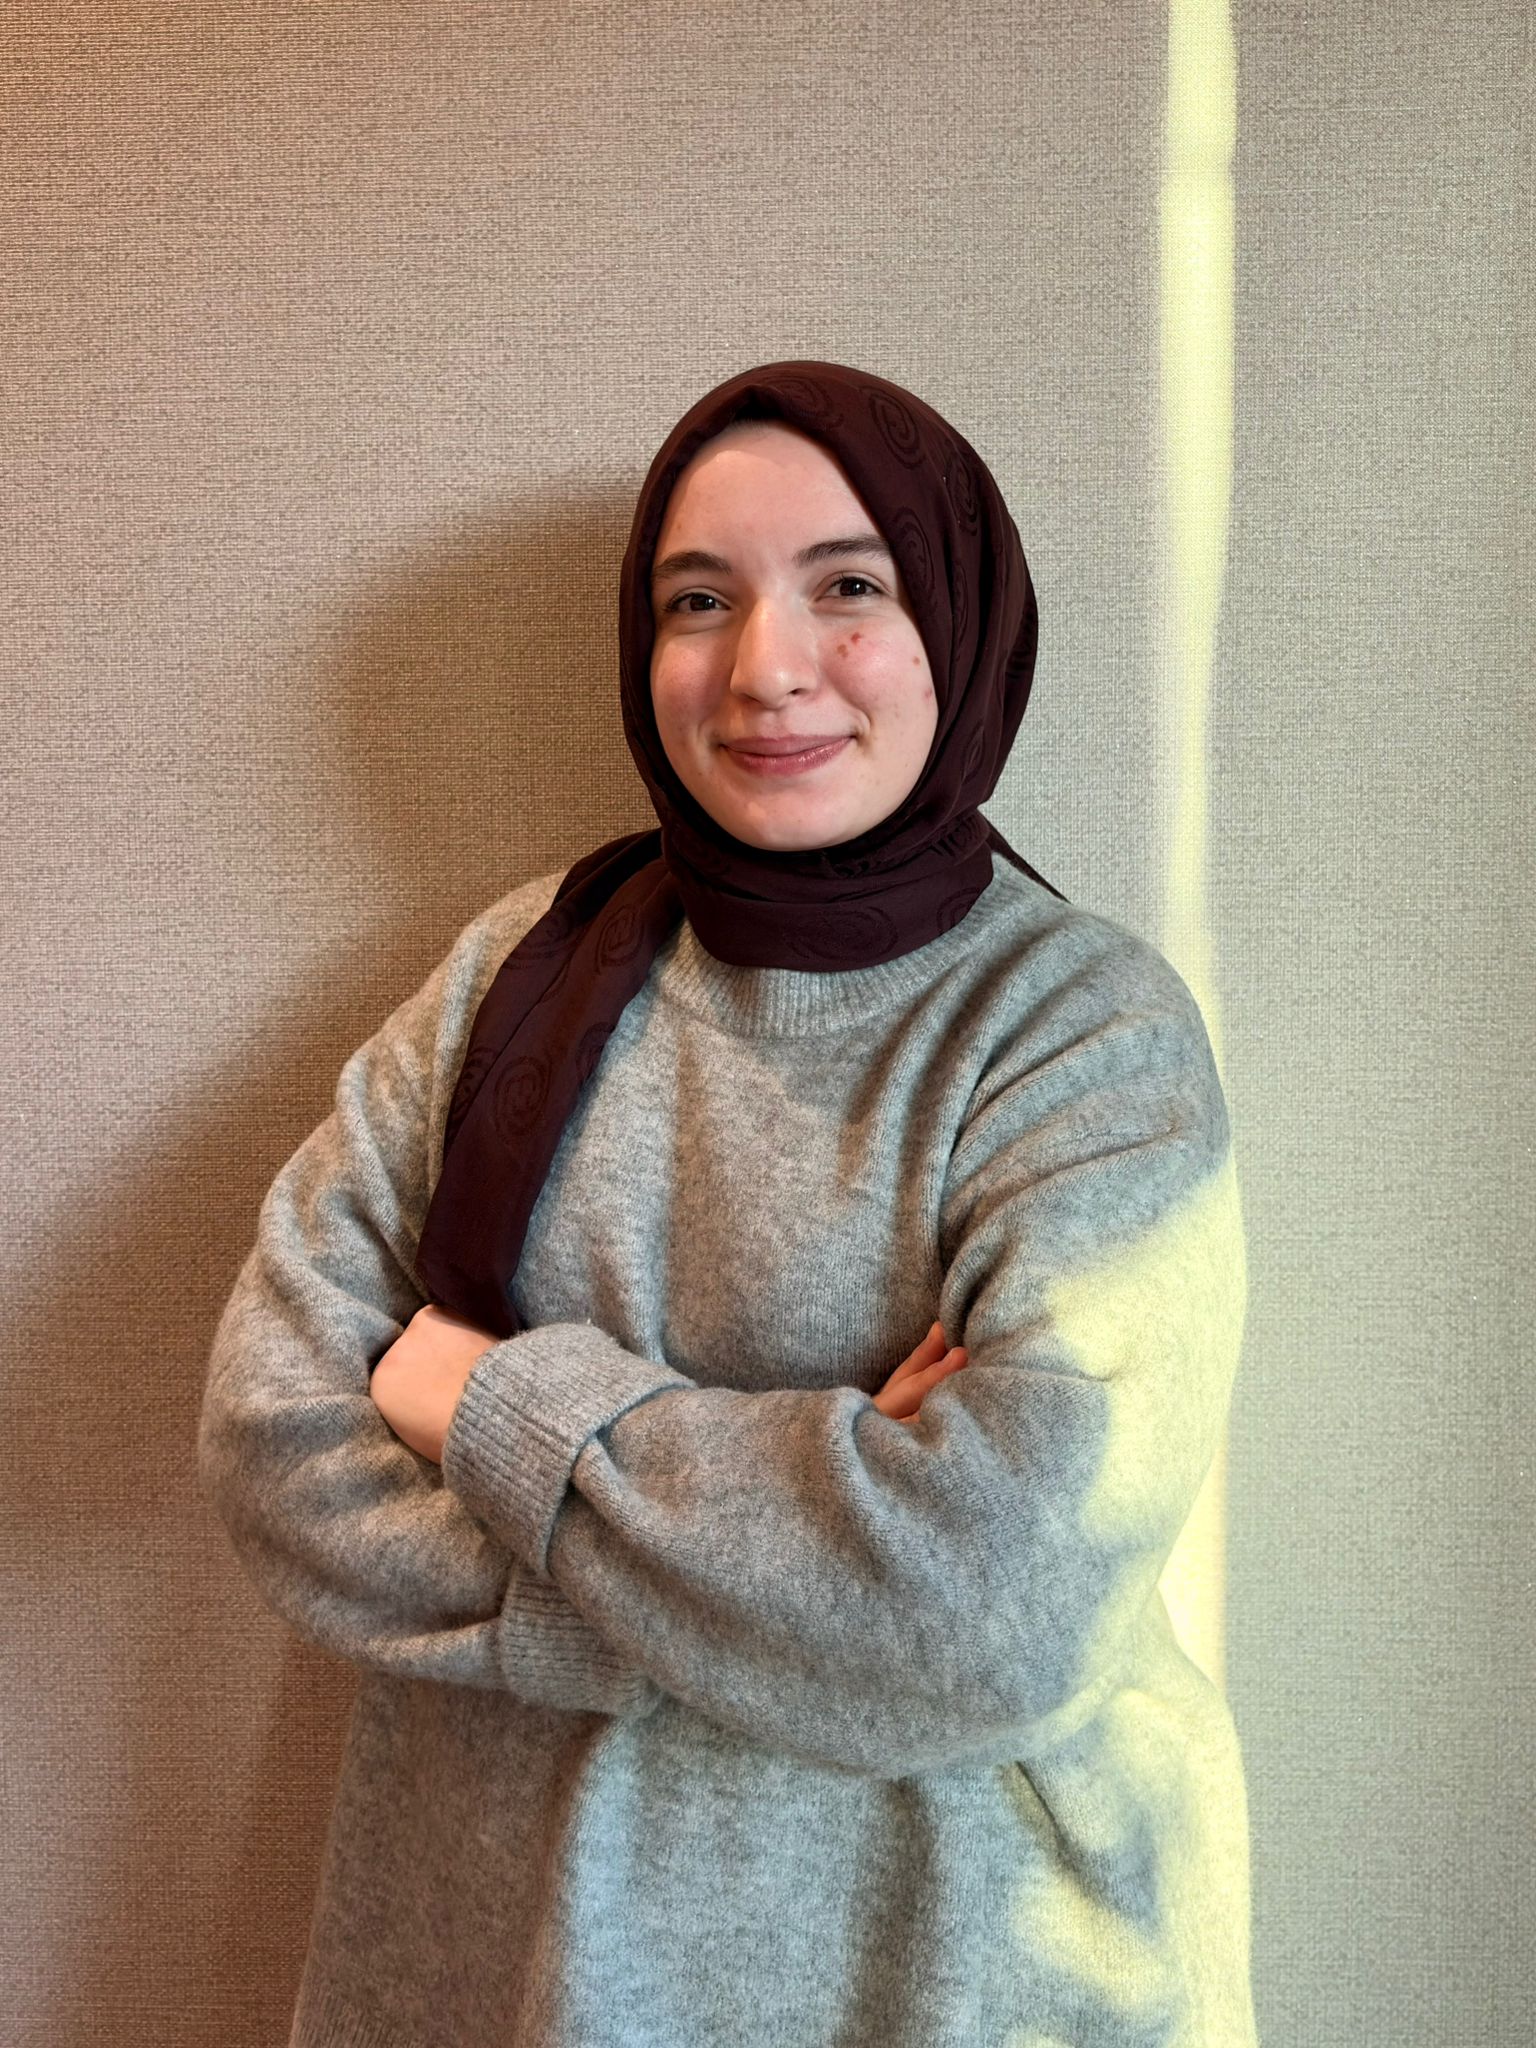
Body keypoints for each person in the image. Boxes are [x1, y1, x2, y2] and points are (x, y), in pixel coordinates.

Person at [198, 360, 1257, 2048]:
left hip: (954, 1964)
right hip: (509, 1944)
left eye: (851, 587)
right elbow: (273, 1439)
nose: (764, 667)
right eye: (700, 599)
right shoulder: (513, 975)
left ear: (962, 619)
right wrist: (806, 1572)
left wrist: (482, 1400)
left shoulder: (1081, 1033)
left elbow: (998, 1611)